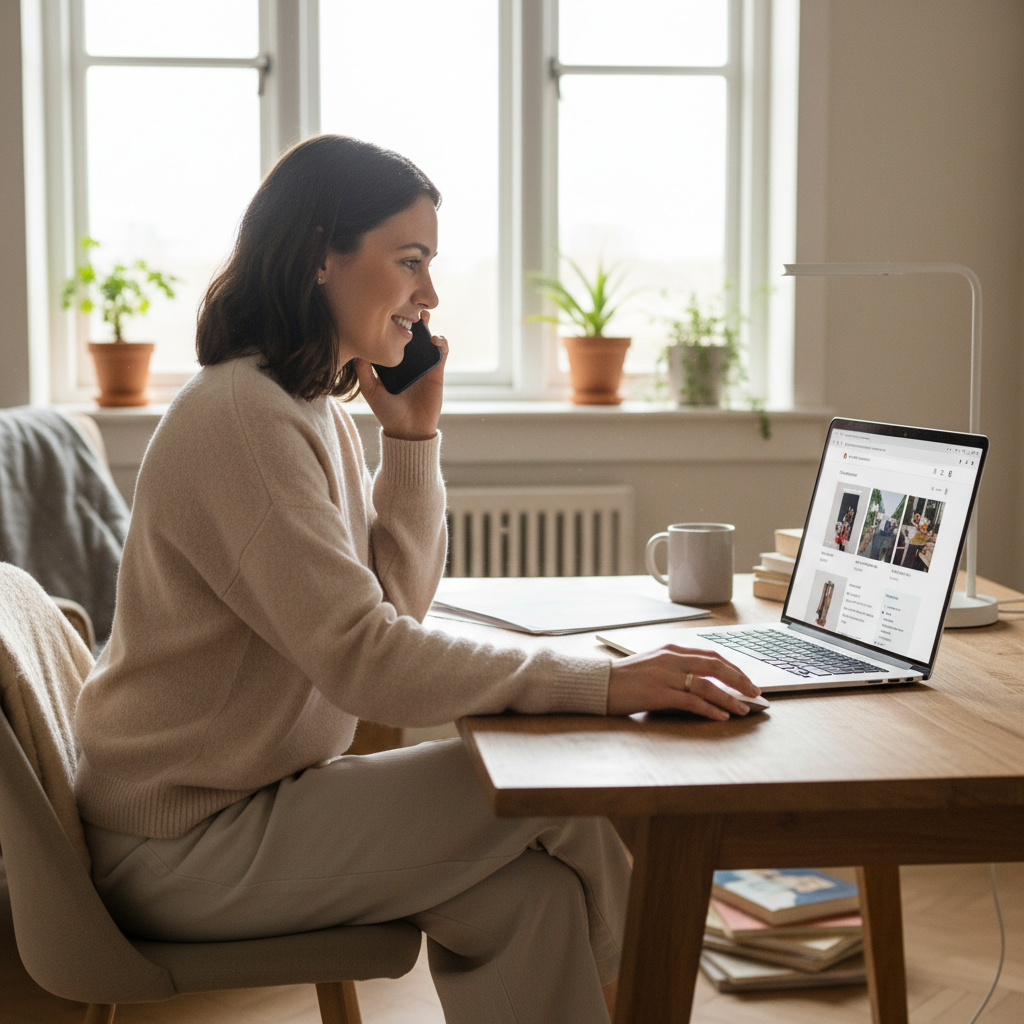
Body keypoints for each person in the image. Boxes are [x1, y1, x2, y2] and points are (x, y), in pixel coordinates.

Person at [73, 135, 759, 1024]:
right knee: (569, 804)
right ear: (322, 254)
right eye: (410, 262)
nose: (429, 295)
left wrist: (411, 437)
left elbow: (392, 609)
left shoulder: (303, 407)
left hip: (254, 806)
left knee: (531, 902)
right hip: (182, 844)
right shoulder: (242, 417)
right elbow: (367, 659)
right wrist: (601, 682)